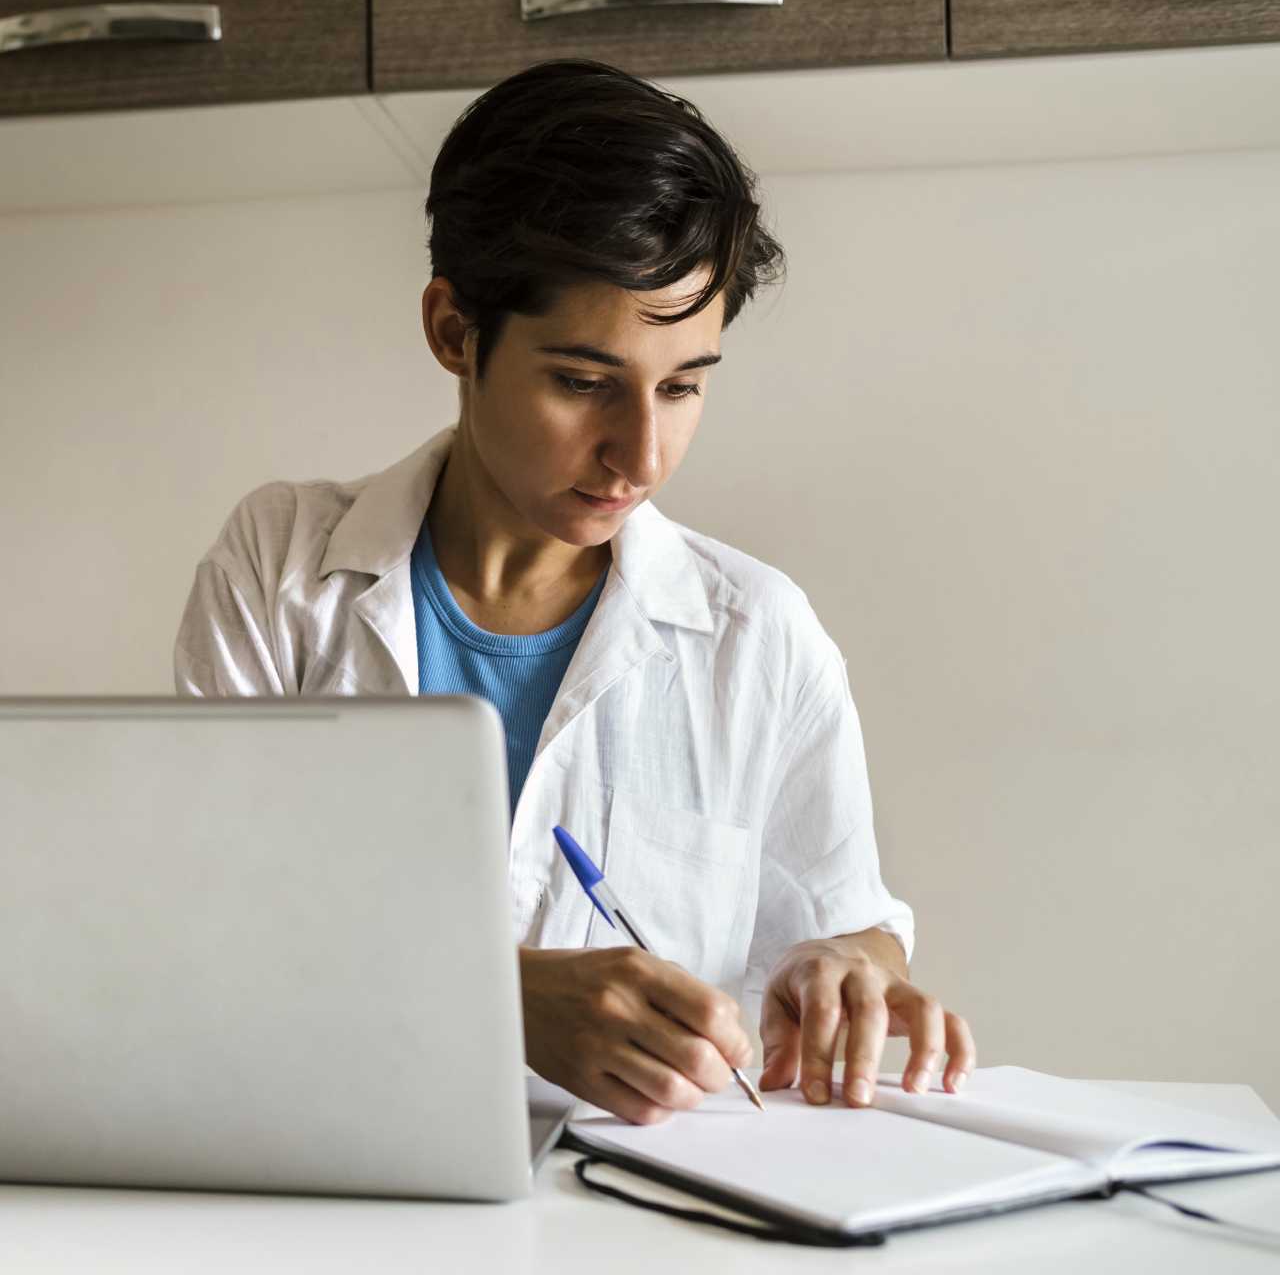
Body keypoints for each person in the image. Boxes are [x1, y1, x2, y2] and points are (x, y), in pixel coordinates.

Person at [174, 58, 975, 1125]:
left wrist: (848, 966)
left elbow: (849, 920)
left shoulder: (758, 635)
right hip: (325, 1164)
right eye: (583, 382)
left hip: (647, 1215)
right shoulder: (280, 569)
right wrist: (500, 996)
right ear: (455, 332)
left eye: (683, 384)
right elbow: (204, 931)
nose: (638, 452)